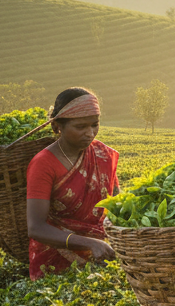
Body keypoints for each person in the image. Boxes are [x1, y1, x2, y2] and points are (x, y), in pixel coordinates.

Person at [25, 87, 119, 280]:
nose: (90, 133)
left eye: (94, 124)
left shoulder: (103, 155)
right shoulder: (43, 163)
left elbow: (118, 204)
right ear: (57, 126)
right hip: (56, 262)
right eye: (80, 127)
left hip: (103, 254)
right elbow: (36, 227)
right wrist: (89, 243)